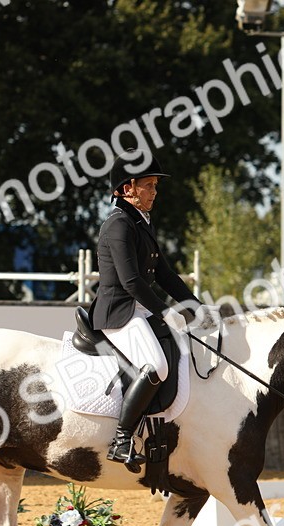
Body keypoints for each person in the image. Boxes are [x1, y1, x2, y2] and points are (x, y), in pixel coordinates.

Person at [91, 152, 210, 470]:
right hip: (119, 313)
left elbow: (166, 275)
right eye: (149, 185)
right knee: (156, 365)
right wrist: (165, 311)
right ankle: (121, 439)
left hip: (139, 310)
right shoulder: (118, 225)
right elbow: (130, 281)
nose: (154, 191)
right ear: (127, 188)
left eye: (155, 185)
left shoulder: (141, 223)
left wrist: (196, 308)